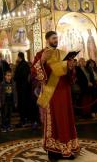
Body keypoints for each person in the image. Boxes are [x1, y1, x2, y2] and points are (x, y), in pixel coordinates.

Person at [31, 31, 80, 160]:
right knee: (53, 120)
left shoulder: (63, 53)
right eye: (53, 38)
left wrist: (70, 67)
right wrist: (42, 60)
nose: (55, 40)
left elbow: (71, 77)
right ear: (47, 39)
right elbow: (34, 71)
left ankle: (66, 149)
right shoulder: (41, 53)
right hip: (51, 92)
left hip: (64, 92)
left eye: (56, 38)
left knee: (65, 119)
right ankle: (53, 151)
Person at [14, 52, 31, 126]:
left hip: (22, 87)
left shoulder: (22, 65)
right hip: (24, 87)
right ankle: (25, 119)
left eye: (17, 57)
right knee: (24, 103)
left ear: (19, 57)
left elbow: (21, 75)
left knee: (22, 103)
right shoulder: (25, 64)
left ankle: (23, 120)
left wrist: (15, 77)